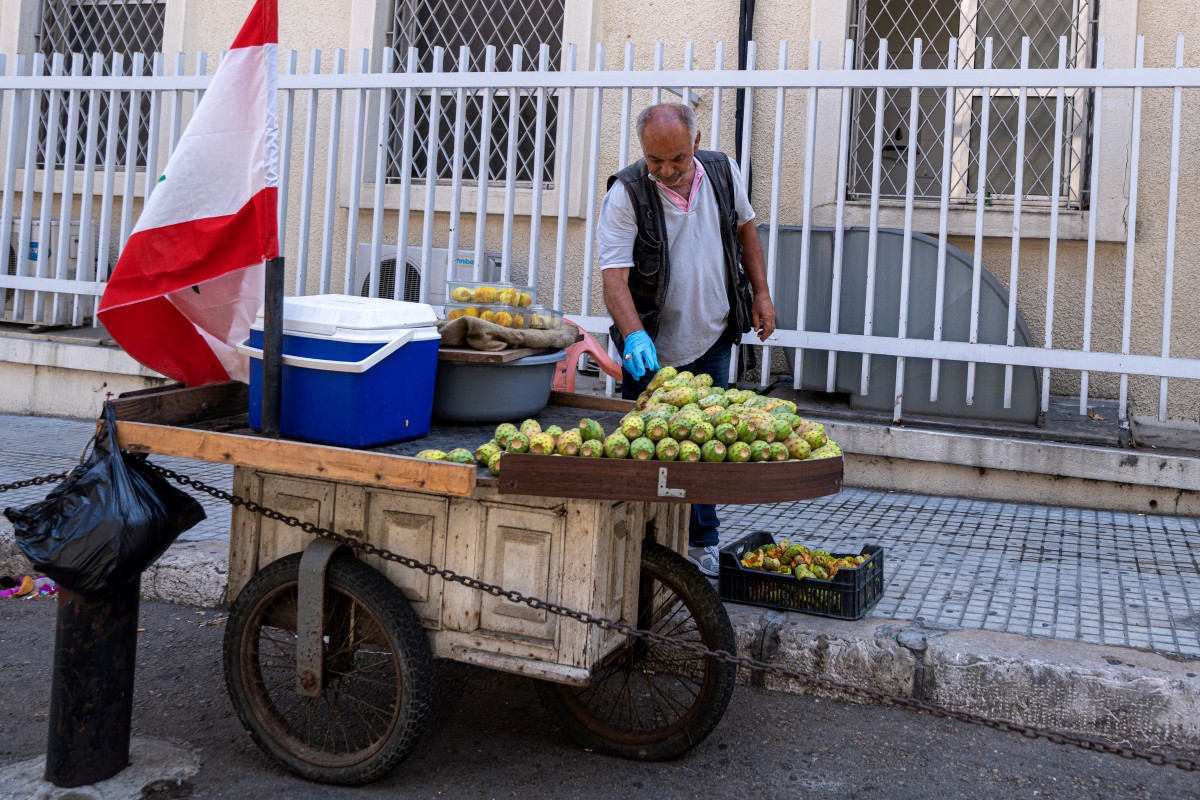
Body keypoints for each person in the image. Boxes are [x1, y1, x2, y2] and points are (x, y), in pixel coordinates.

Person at [598, 102, 776, 577]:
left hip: (713, 334)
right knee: (648, 450)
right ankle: (641, 548)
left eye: (677, 158)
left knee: (704, 447)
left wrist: (761, 293)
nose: (666, 170)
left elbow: (746, 232)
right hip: (653, 346)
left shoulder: (722, 172)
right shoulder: (626, 193)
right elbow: (614, 278)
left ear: (695, 142)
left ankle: (703, 544)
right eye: (655, 160)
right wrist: (634, 337)